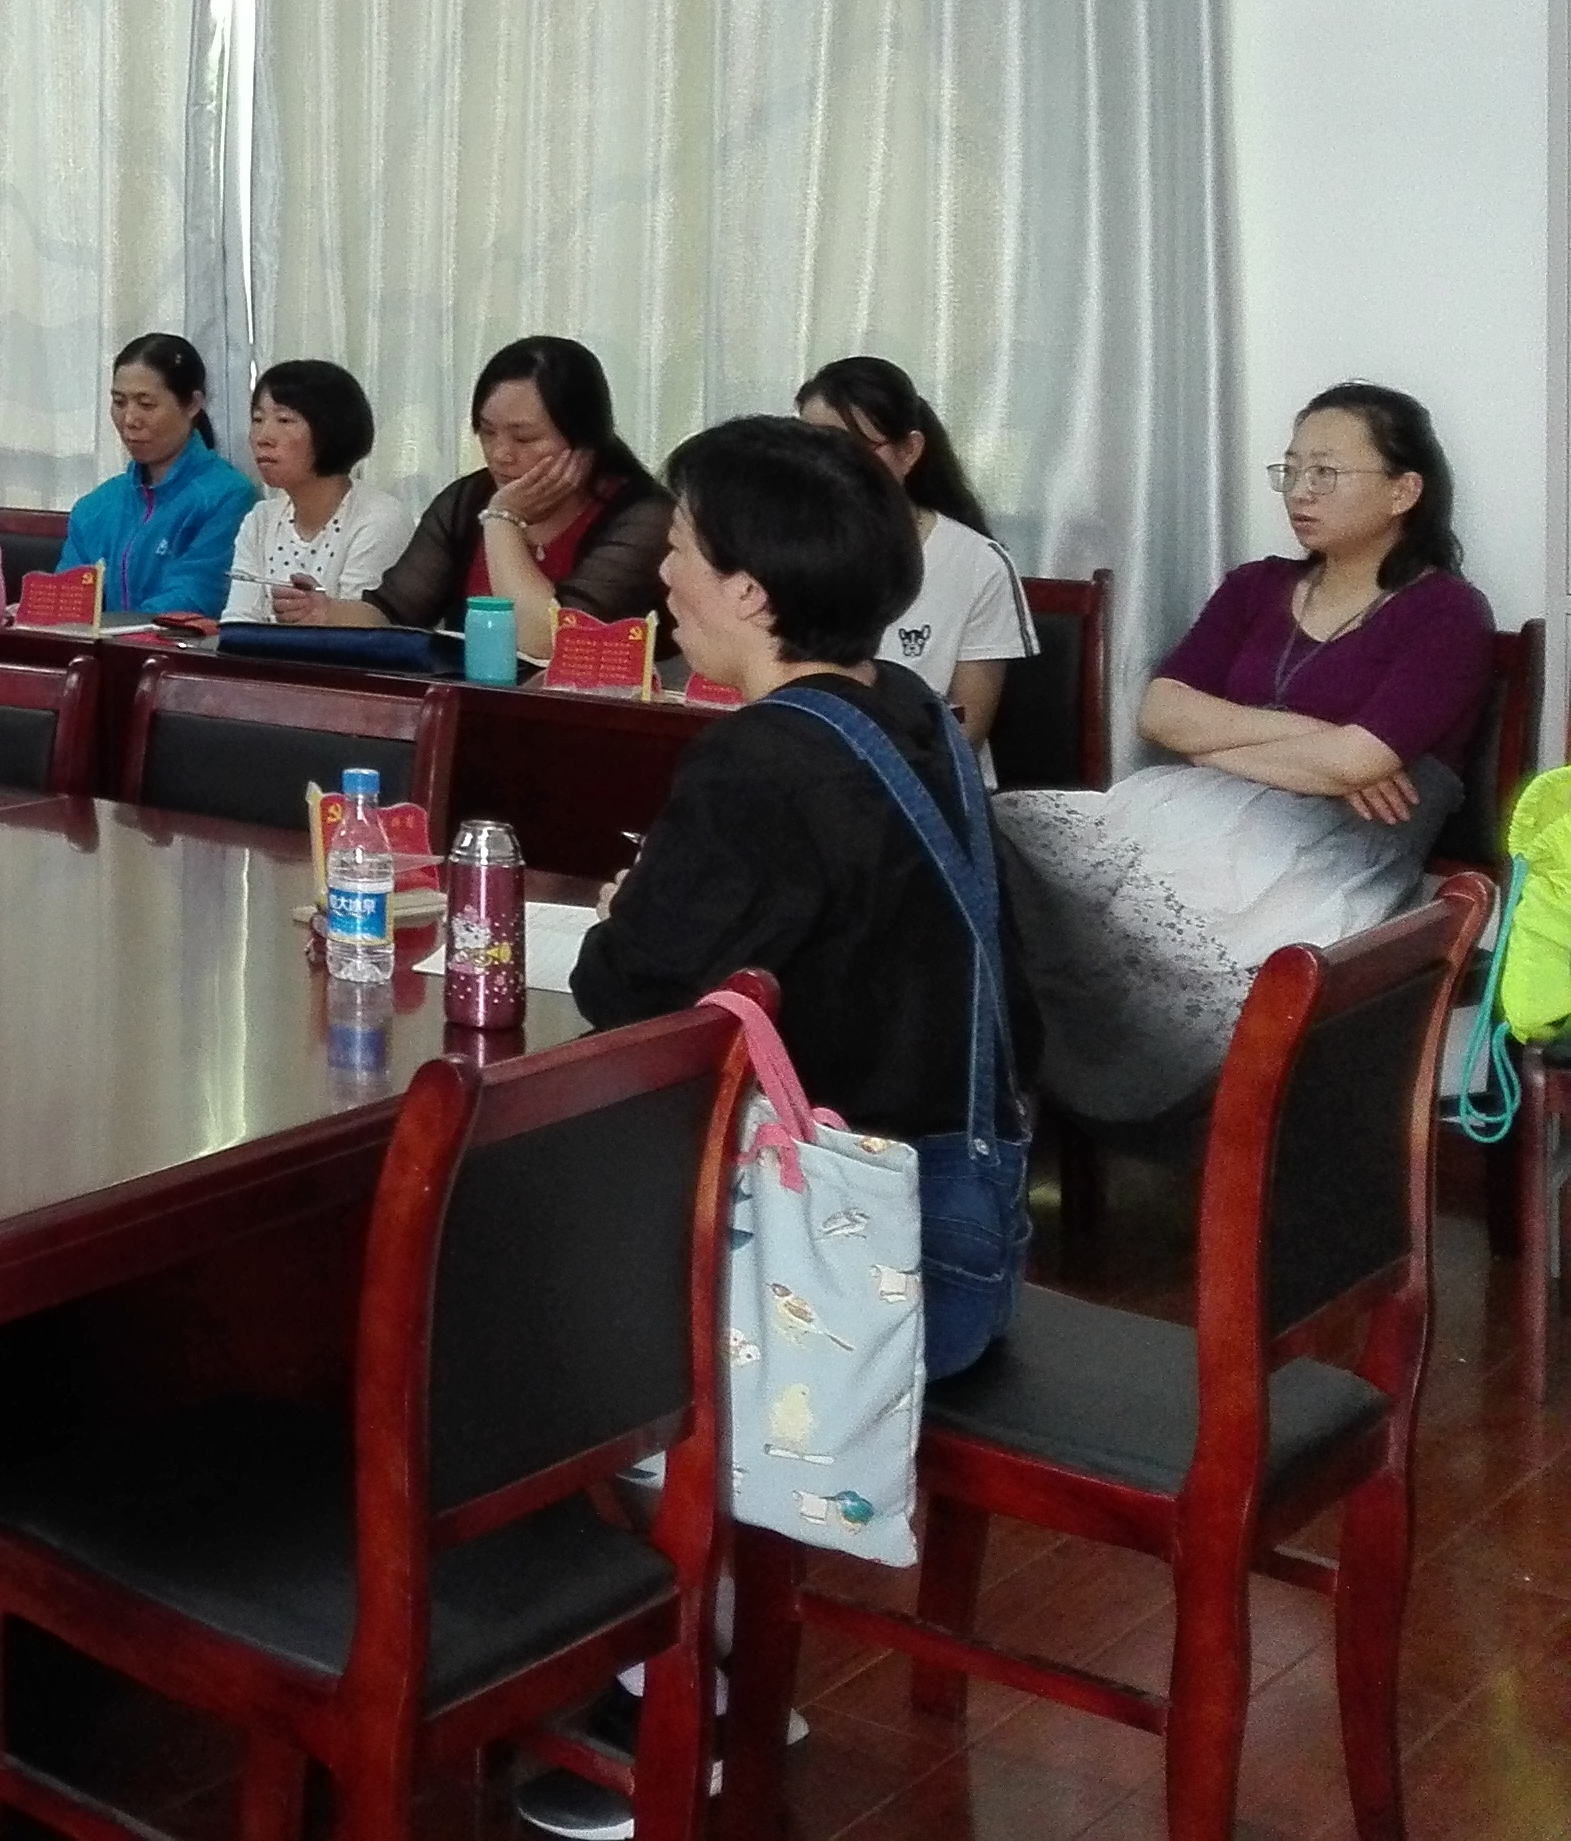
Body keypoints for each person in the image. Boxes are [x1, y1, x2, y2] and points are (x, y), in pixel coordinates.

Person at [536, 417, 1023, 1841]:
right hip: (962, 1219)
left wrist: (631, 914)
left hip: (857, 1285)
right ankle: (735, 1667)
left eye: (681, 550)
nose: (661, 576)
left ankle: (660, 1694)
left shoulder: (764, 760)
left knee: (514, 1306)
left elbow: (626, 990)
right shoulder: (906, 711)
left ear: (750, 591)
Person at [998, 383, 1498, 1128]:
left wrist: (1223, 743)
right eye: (1291, 470)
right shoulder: (1255, 586)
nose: (1300, 491)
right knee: (998, 830)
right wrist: (1312, 738)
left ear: (1404, 491)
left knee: (1167, 955)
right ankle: (1001, 1103)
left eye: (1326, 472)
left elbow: (1358, 762)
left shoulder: (1446, 611)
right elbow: (1160, 713)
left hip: (1324, 854)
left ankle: (1100, 1111)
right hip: (1184, 817)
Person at [329, 335, 671, 661]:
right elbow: (393, 613)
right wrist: (323, 613)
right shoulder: (467, 499)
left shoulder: (645, 518)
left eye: (524, 438)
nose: (500, 454)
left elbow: (548, 643)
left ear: (585, 441)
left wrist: (502, 520)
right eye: (488, 432)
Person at [797, 356, 1034, 745]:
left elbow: (965, 735)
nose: (828, 466)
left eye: (855, 446)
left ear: (909, 451)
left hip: (917, 772)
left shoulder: (977, 565)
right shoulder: (777, 547)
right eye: (813, 446)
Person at [57, 333, 257, 622]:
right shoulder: (95, 507)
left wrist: (109, 631)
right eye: (119, 402)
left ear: (193, 404)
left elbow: (194, 598)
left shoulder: (229, 498)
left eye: (146, 404)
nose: (129, 420)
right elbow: (67, 604)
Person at [214, 359, 419, 625]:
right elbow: (238, 621)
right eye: (257, 419)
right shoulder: (260, 521)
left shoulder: (378, 519)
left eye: (284, 420)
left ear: (333, 429)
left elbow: (366, 631)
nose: (263, 437)